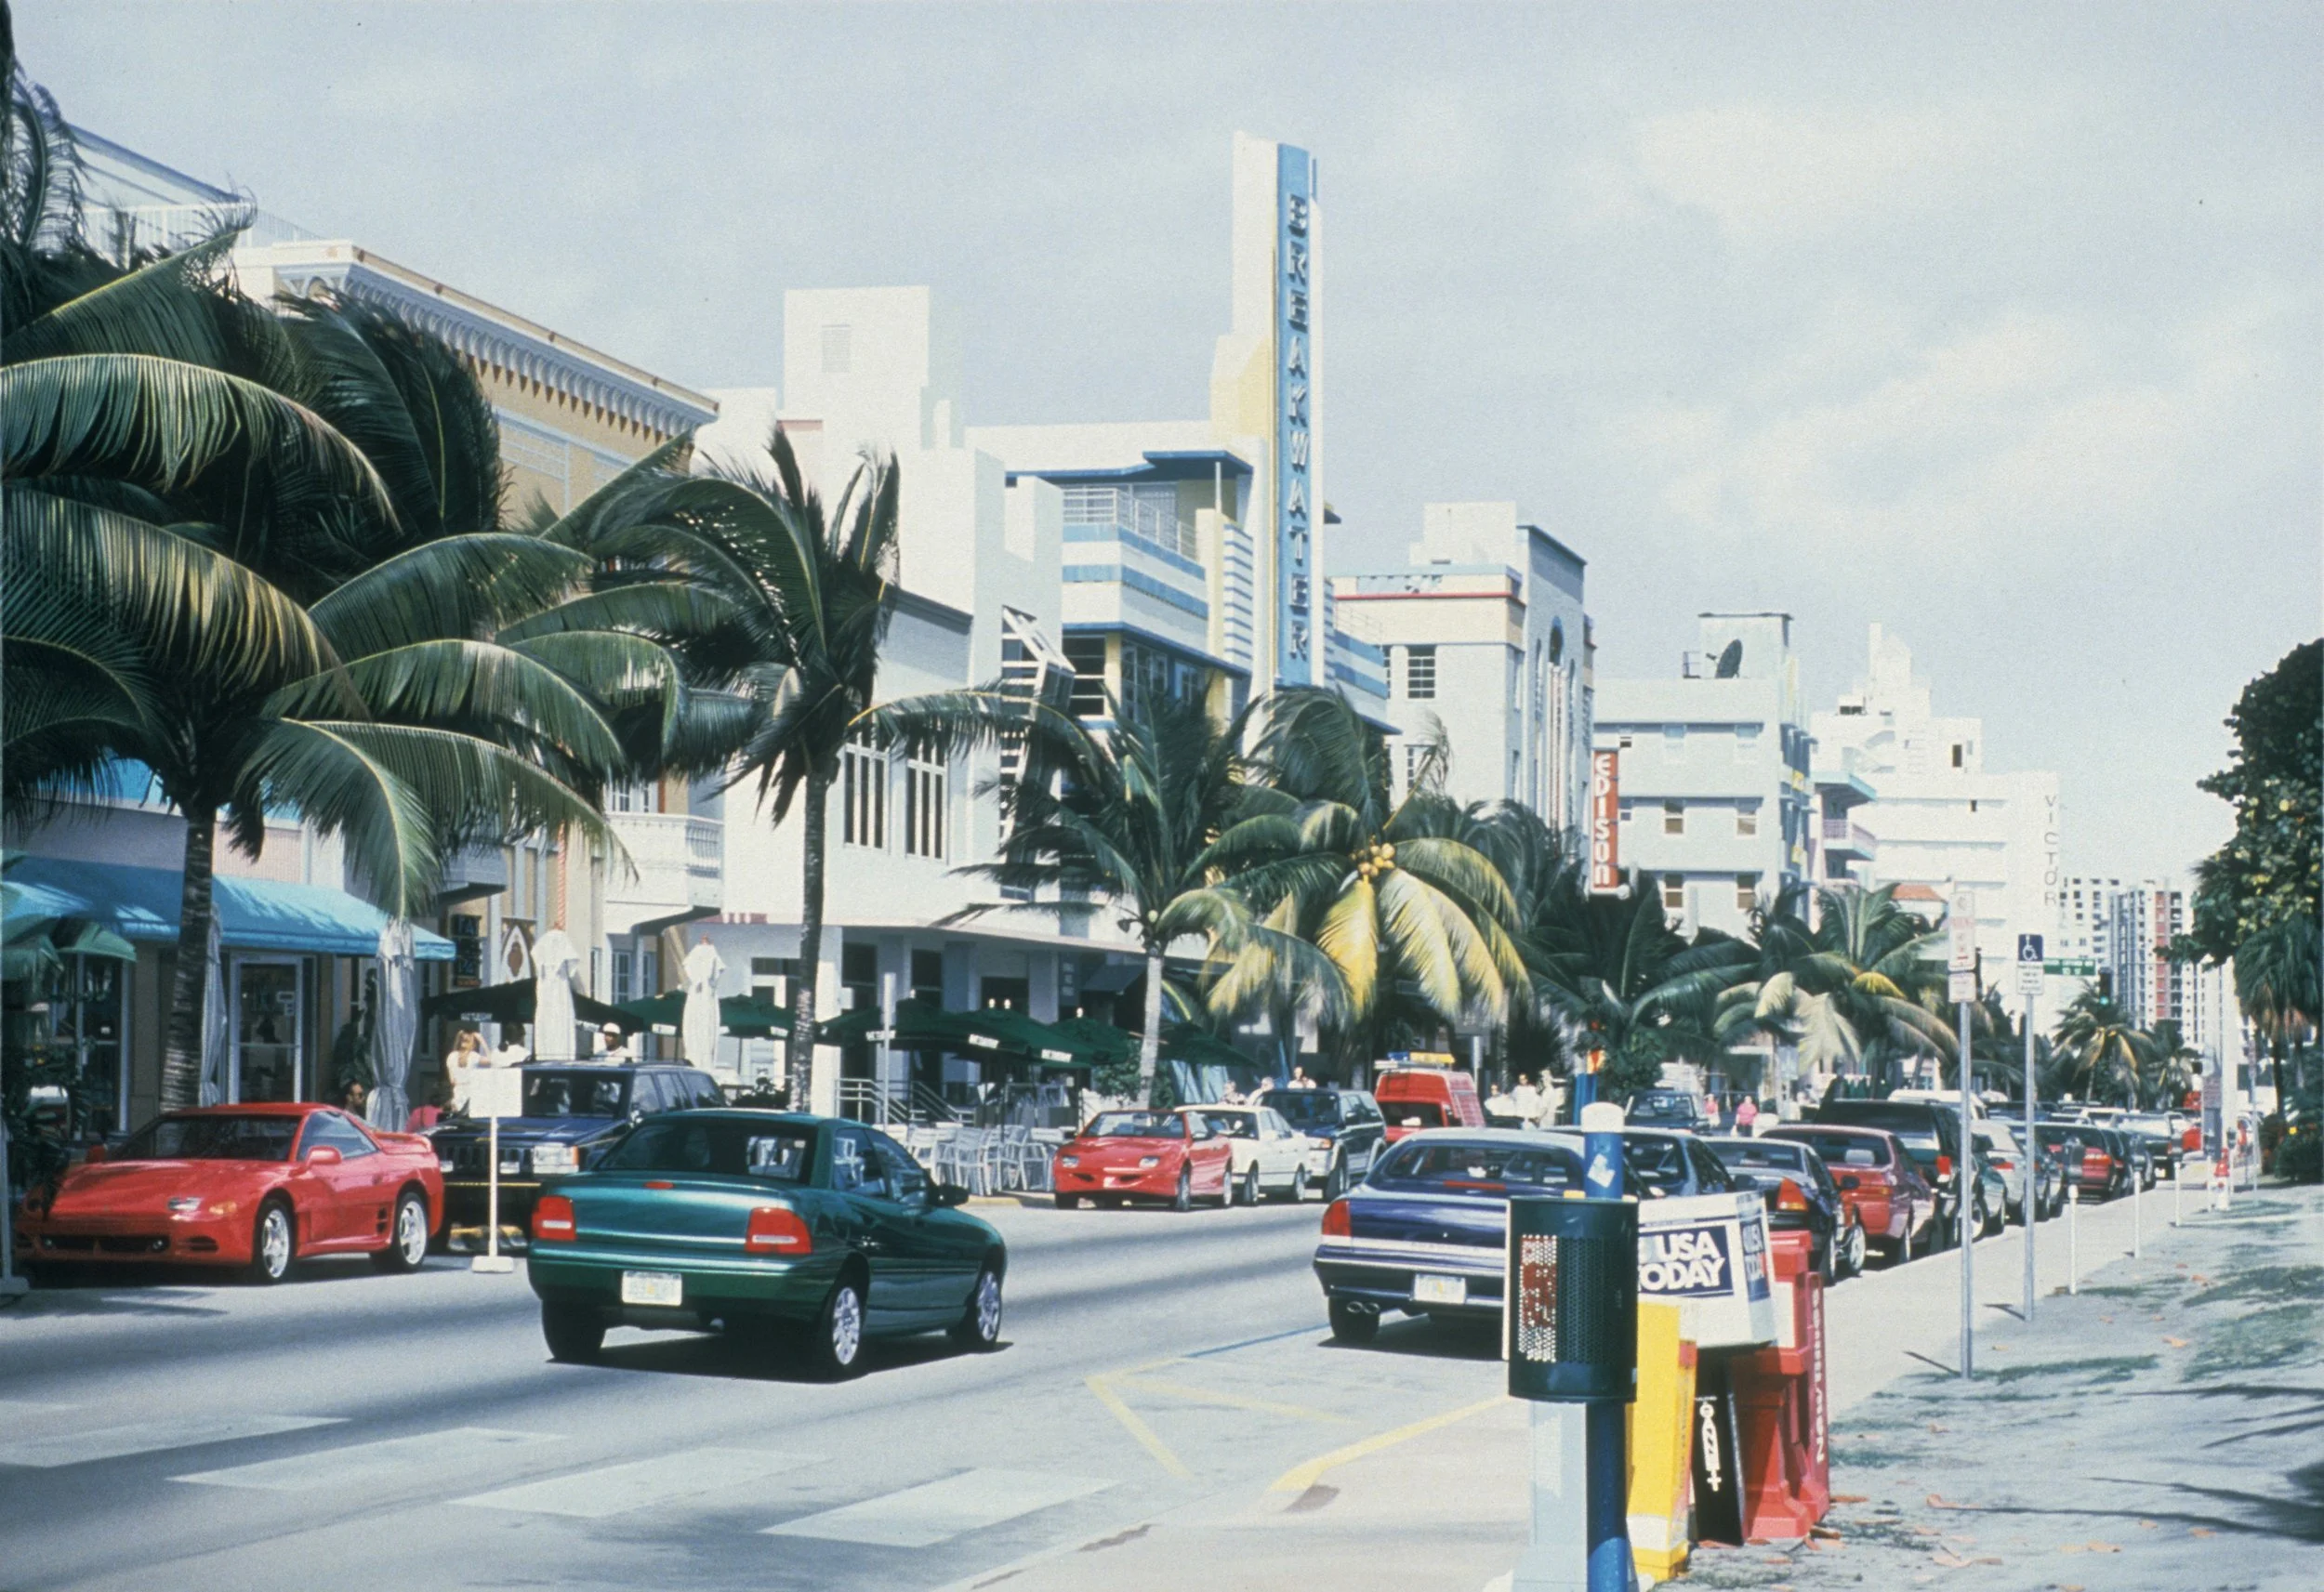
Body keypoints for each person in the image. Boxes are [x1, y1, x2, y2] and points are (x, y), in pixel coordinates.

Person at [444, 1029, 487, 1116]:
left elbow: (452, 1080)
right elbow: (491, 1060)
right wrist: (482, 1040)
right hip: (472, 1095)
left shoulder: (451, 1056)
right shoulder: (474, 1056)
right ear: (473, 1043)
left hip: (458, 1095)